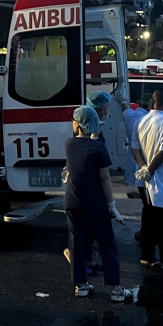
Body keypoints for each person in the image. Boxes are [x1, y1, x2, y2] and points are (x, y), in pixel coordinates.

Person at [63, 105, 129, 302]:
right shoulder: (99, 148)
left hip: (73, 202)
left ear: (77, 125)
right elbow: (104, 178)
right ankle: (116, 290)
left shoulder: (69, 144)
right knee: (107, 244)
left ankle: (81, 285)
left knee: (76, 243)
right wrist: (111, 204)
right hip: (96, 204)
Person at [132, 90, 163, 269]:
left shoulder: (140, 121)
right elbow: (162, 152)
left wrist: (143, 167)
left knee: (150, 216)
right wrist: (150, 170)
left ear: (151, 102)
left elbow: (135, 149)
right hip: (161, 178)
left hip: (144, 178)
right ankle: (148, 256)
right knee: (158, 220)